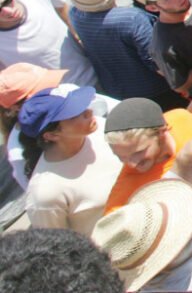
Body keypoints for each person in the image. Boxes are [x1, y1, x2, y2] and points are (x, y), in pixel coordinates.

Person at [18, 84, 120, 235]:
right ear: (52, 135)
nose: (89, 112)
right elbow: (59, 246)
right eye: (74, 114)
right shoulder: (44, 194)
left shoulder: (103, 128)